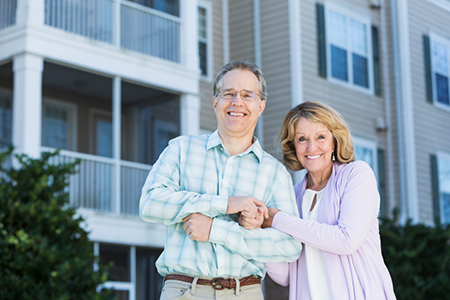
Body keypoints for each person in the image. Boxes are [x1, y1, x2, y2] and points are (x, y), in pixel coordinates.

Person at [139, 60, 302, 299]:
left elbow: (289, 246)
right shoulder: (181, 149)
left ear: (261, 105)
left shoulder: (274, 172)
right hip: (184, 290)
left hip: (244, 292)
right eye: (229, 93)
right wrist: (226, 204)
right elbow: (150, 204)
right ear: (215, 101)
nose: (237, 102)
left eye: (247, 95)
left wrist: (216, 229)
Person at [240, 101, 396, 299]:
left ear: (334, 141)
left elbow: (346, 240)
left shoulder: (356, 175)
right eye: (302, 139)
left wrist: (278, 219)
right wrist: (260, 229)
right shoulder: (292, 196)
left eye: (321, 137)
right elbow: (286, 275)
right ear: (293, 146)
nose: (311, 147)